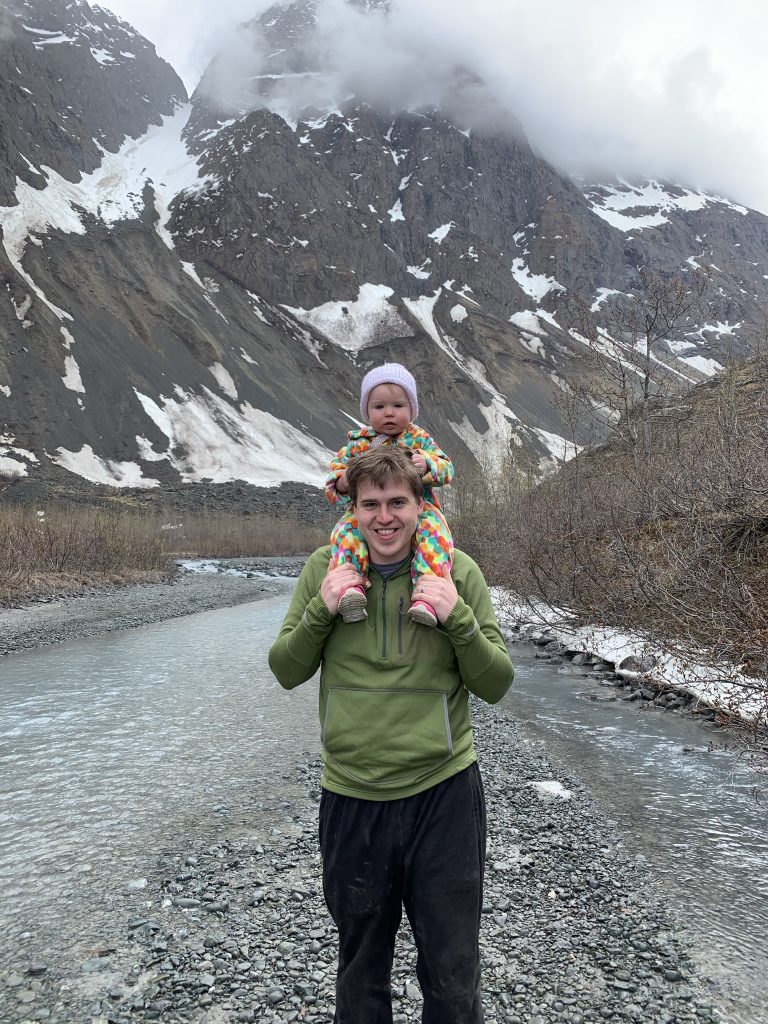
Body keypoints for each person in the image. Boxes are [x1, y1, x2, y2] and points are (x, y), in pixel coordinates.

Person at [269, 446, 515, 1024]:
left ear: (420, 503)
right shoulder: (323, 571)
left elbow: (496, 683)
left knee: (452, 972)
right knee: (360, 972)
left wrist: (456, 617)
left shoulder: (458, 571)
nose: (385, 516)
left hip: (444, 795)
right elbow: (285, 670)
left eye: (398, 501)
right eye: (370, 503)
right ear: (351, 509)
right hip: (352, 798)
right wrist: (321, 611)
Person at [325, 362, 453, 628]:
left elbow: (447, 467)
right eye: (379, 407)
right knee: (345, 535)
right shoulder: (357, 444)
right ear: (367, 411)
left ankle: (427, 596)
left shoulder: (420, 439)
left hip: (422, 507)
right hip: (361, 511)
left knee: (435, 539)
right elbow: (333, 481)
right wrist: (344, 481)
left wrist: (428, 464)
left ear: (411, 409)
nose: (389, 414)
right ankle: (350, 588)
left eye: (398, 406)